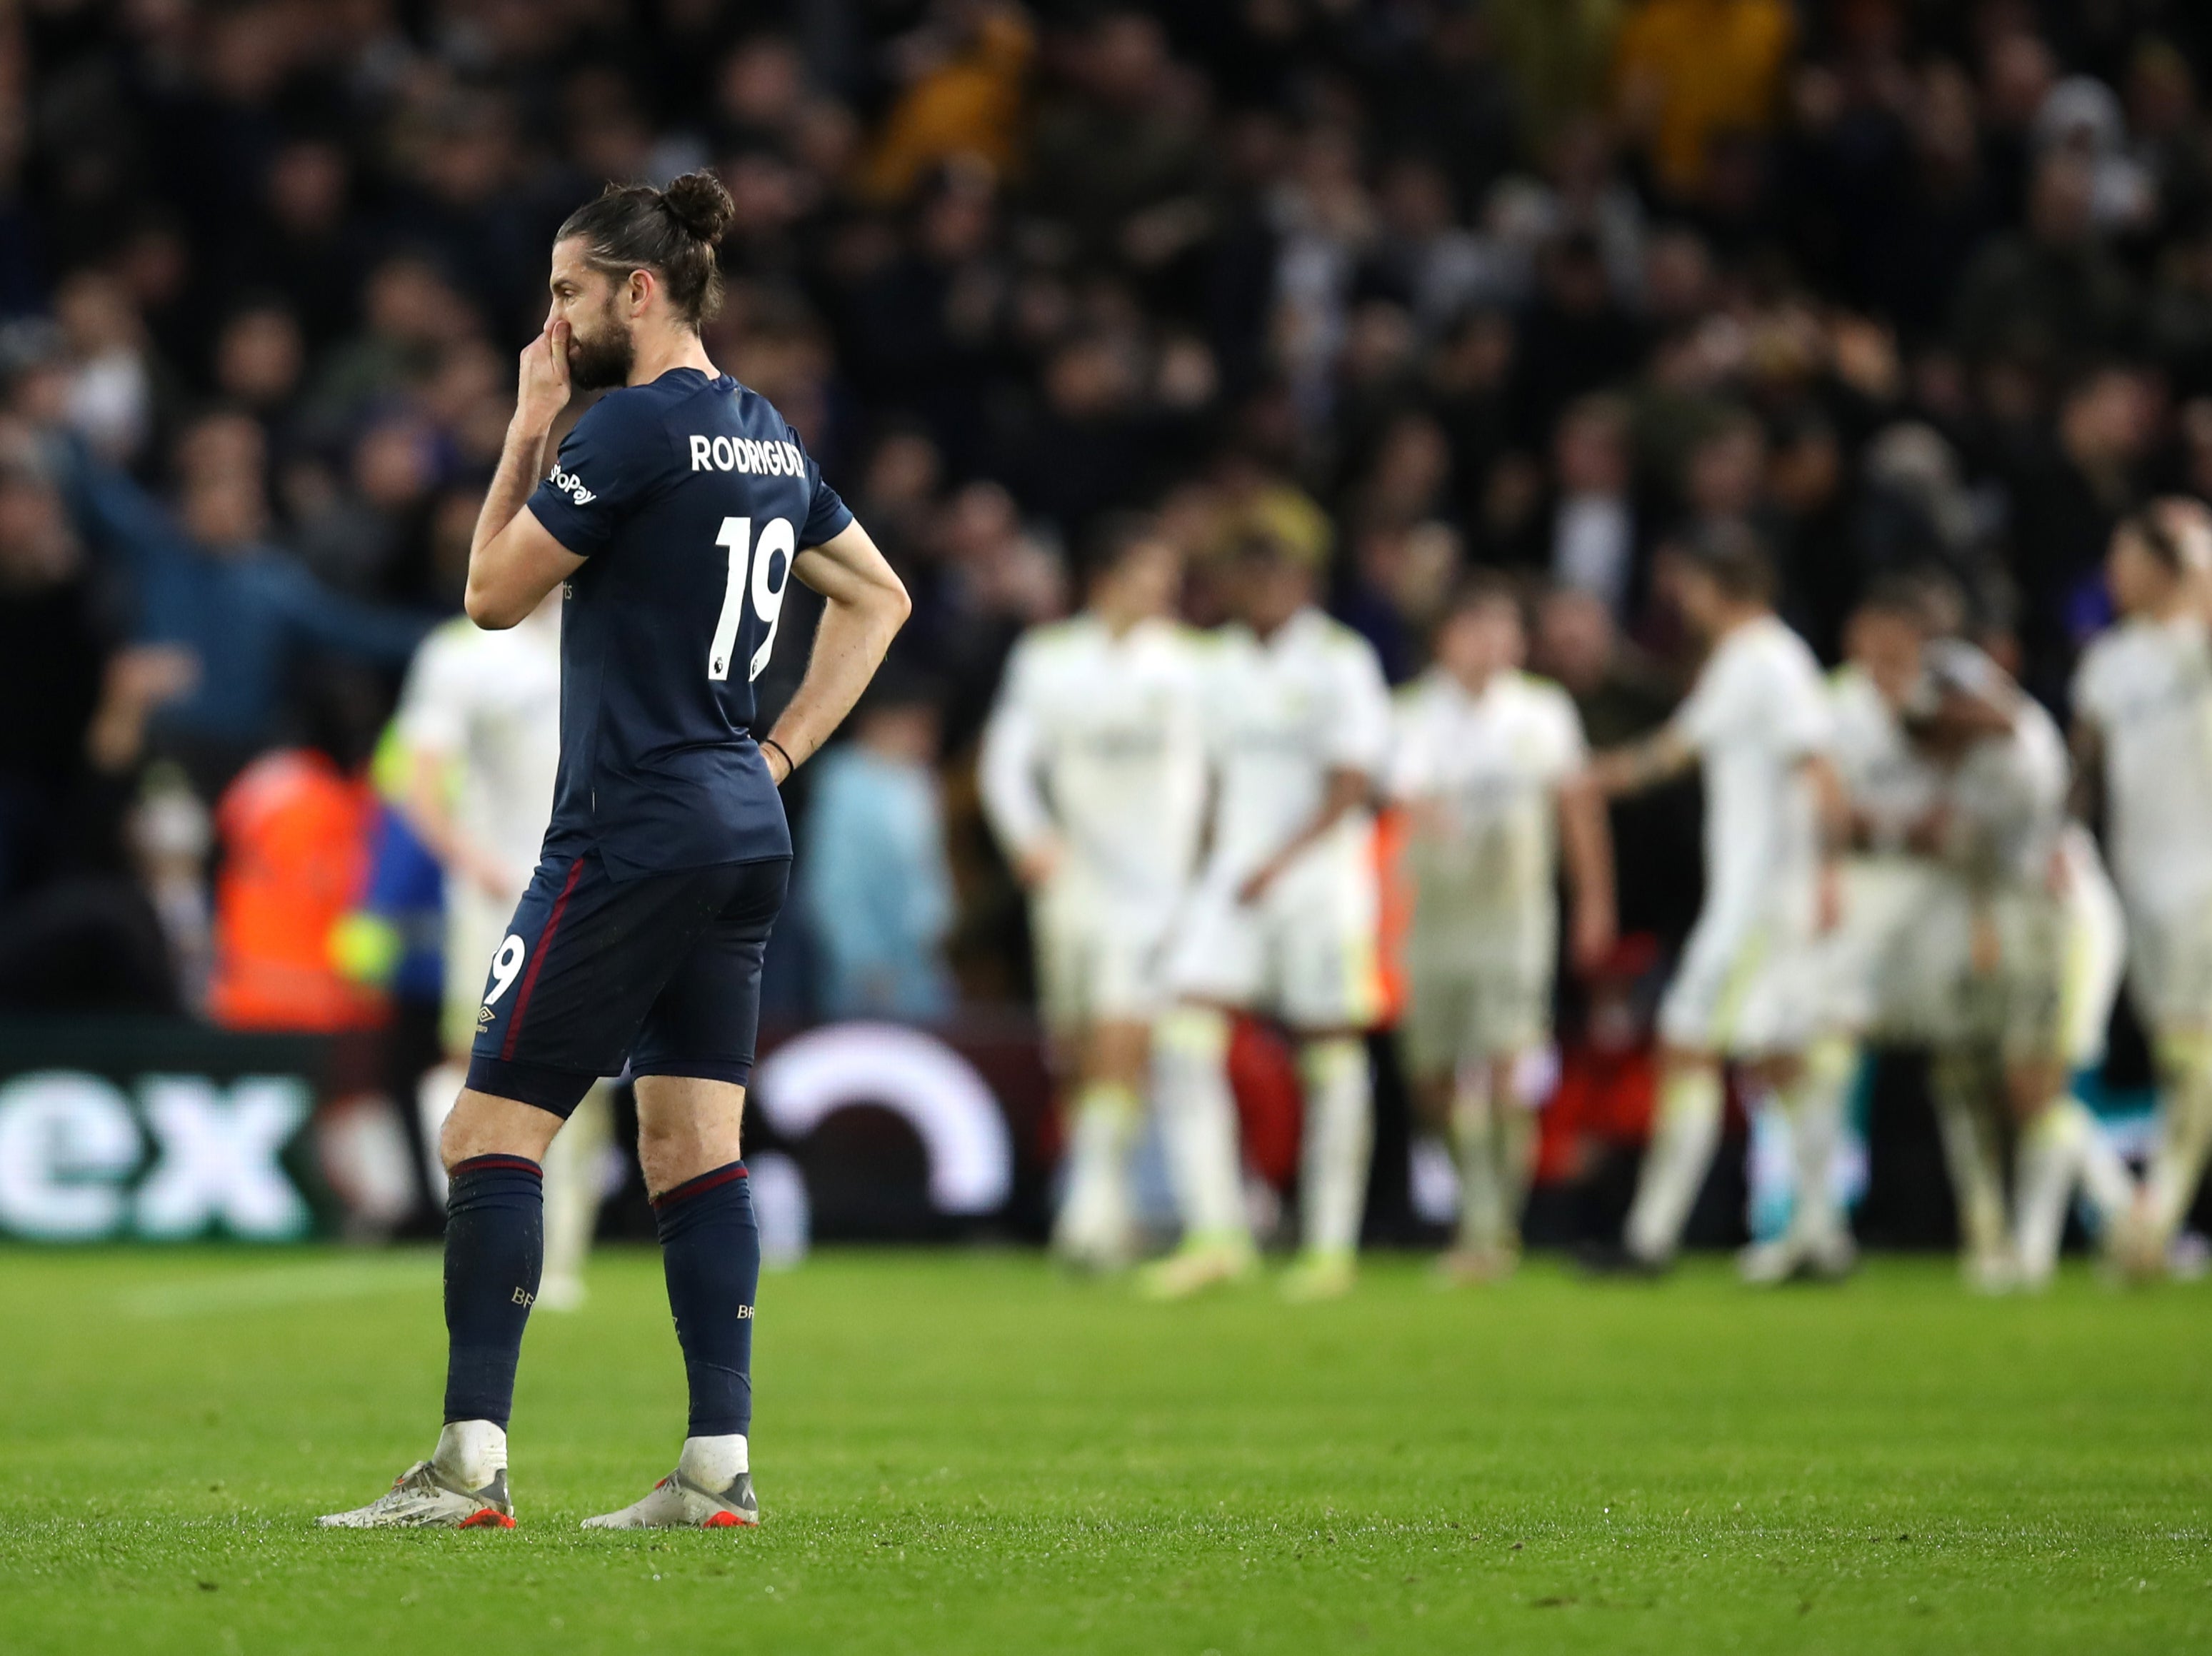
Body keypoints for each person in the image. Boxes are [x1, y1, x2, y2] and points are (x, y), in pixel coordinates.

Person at [320, 171, 909, 1530]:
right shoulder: (764, 433)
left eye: (570, 292)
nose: (554, 320)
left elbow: (488, 595)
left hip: (628, 822)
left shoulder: (629, 431)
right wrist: (776, 753)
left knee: (485, 1130)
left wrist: (529, 424)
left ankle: (468, 1463)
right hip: (739, 825)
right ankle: (717, 1463)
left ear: (638, 290)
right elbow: (880, 595)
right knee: (692, 1140)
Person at [1586, 527, 1851, 1280]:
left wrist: (1828, 874)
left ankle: (1649, 1240)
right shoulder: (1745, 664)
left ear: (1711, 587)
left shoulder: (1770, 660)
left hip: (1760, 902)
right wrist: (1597, 777)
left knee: (1686, 1045)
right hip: (1759, 896)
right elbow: (1678, 749)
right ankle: (1822, 1235)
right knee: (1780, 1061)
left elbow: (1820, 768)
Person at [1145, 531, 1393, 1302]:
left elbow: (1354, 780)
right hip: (1234, 880)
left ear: (1304, 580)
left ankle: (1328, 1246)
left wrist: (1280, 864)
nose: (1262, 588)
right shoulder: (1216, 664)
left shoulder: (1340, 660)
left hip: (1319, 885)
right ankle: (1217, 1233)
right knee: (1183, 1037)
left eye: (1275, 572)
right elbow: (1208, 779)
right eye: (1248, 572)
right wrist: (1203, 868)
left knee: (1330, 1054)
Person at [979, 513, 1206, 1270]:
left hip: (1153, 888)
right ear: (1106, 579)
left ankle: (1087, 1215)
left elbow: (1210, 777)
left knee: (1122, 1035)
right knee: (1076, 1050)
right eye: (1150, 576)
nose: (1164, 592)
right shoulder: (1048, 658)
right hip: (1072, 880)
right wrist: (1030, 838)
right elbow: (1006, 761)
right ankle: (1104, 1205)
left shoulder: (1185, 664)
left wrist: (1198, 870)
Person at [393, 592, 615, 1312]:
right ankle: (482, 1229)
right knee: (482, 1068)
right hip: (497, 899)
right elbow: (419, 784)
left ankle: (560, 1259)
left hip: (596, 891)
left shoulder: (602, 635)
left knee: (588, 1077)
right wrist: (474, 861)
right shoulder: (461, 654)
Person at [1388, 574, 1613, 1280]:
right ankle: (1475, 1205)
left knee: (1504, 1061)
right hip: (1430, 914)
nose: (1489, 643)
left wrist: (1594, 902)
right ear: (1444, 639)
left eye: (1501, 628)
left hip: (1514, 915)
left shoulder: (1542, 712)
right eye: (1472, 627)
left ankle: (1490, 1227)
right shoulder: (1411, 713)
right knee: (1430, 1076)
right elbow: (1403, 798)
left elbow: (1577, 811)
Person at [2071, 501, 2212, 1278]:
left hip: (2202, 875)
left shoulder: (2196, 647)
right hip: (2135, 880)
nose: (2113, 574)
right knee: (2175, 1054)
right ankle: (2164, 1219)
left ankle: (2155, 1217)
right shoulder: (2106, 663)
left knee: (2195, 1050)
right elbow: (2084, 771)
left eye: (2128, 558)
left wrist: (2197, 560)